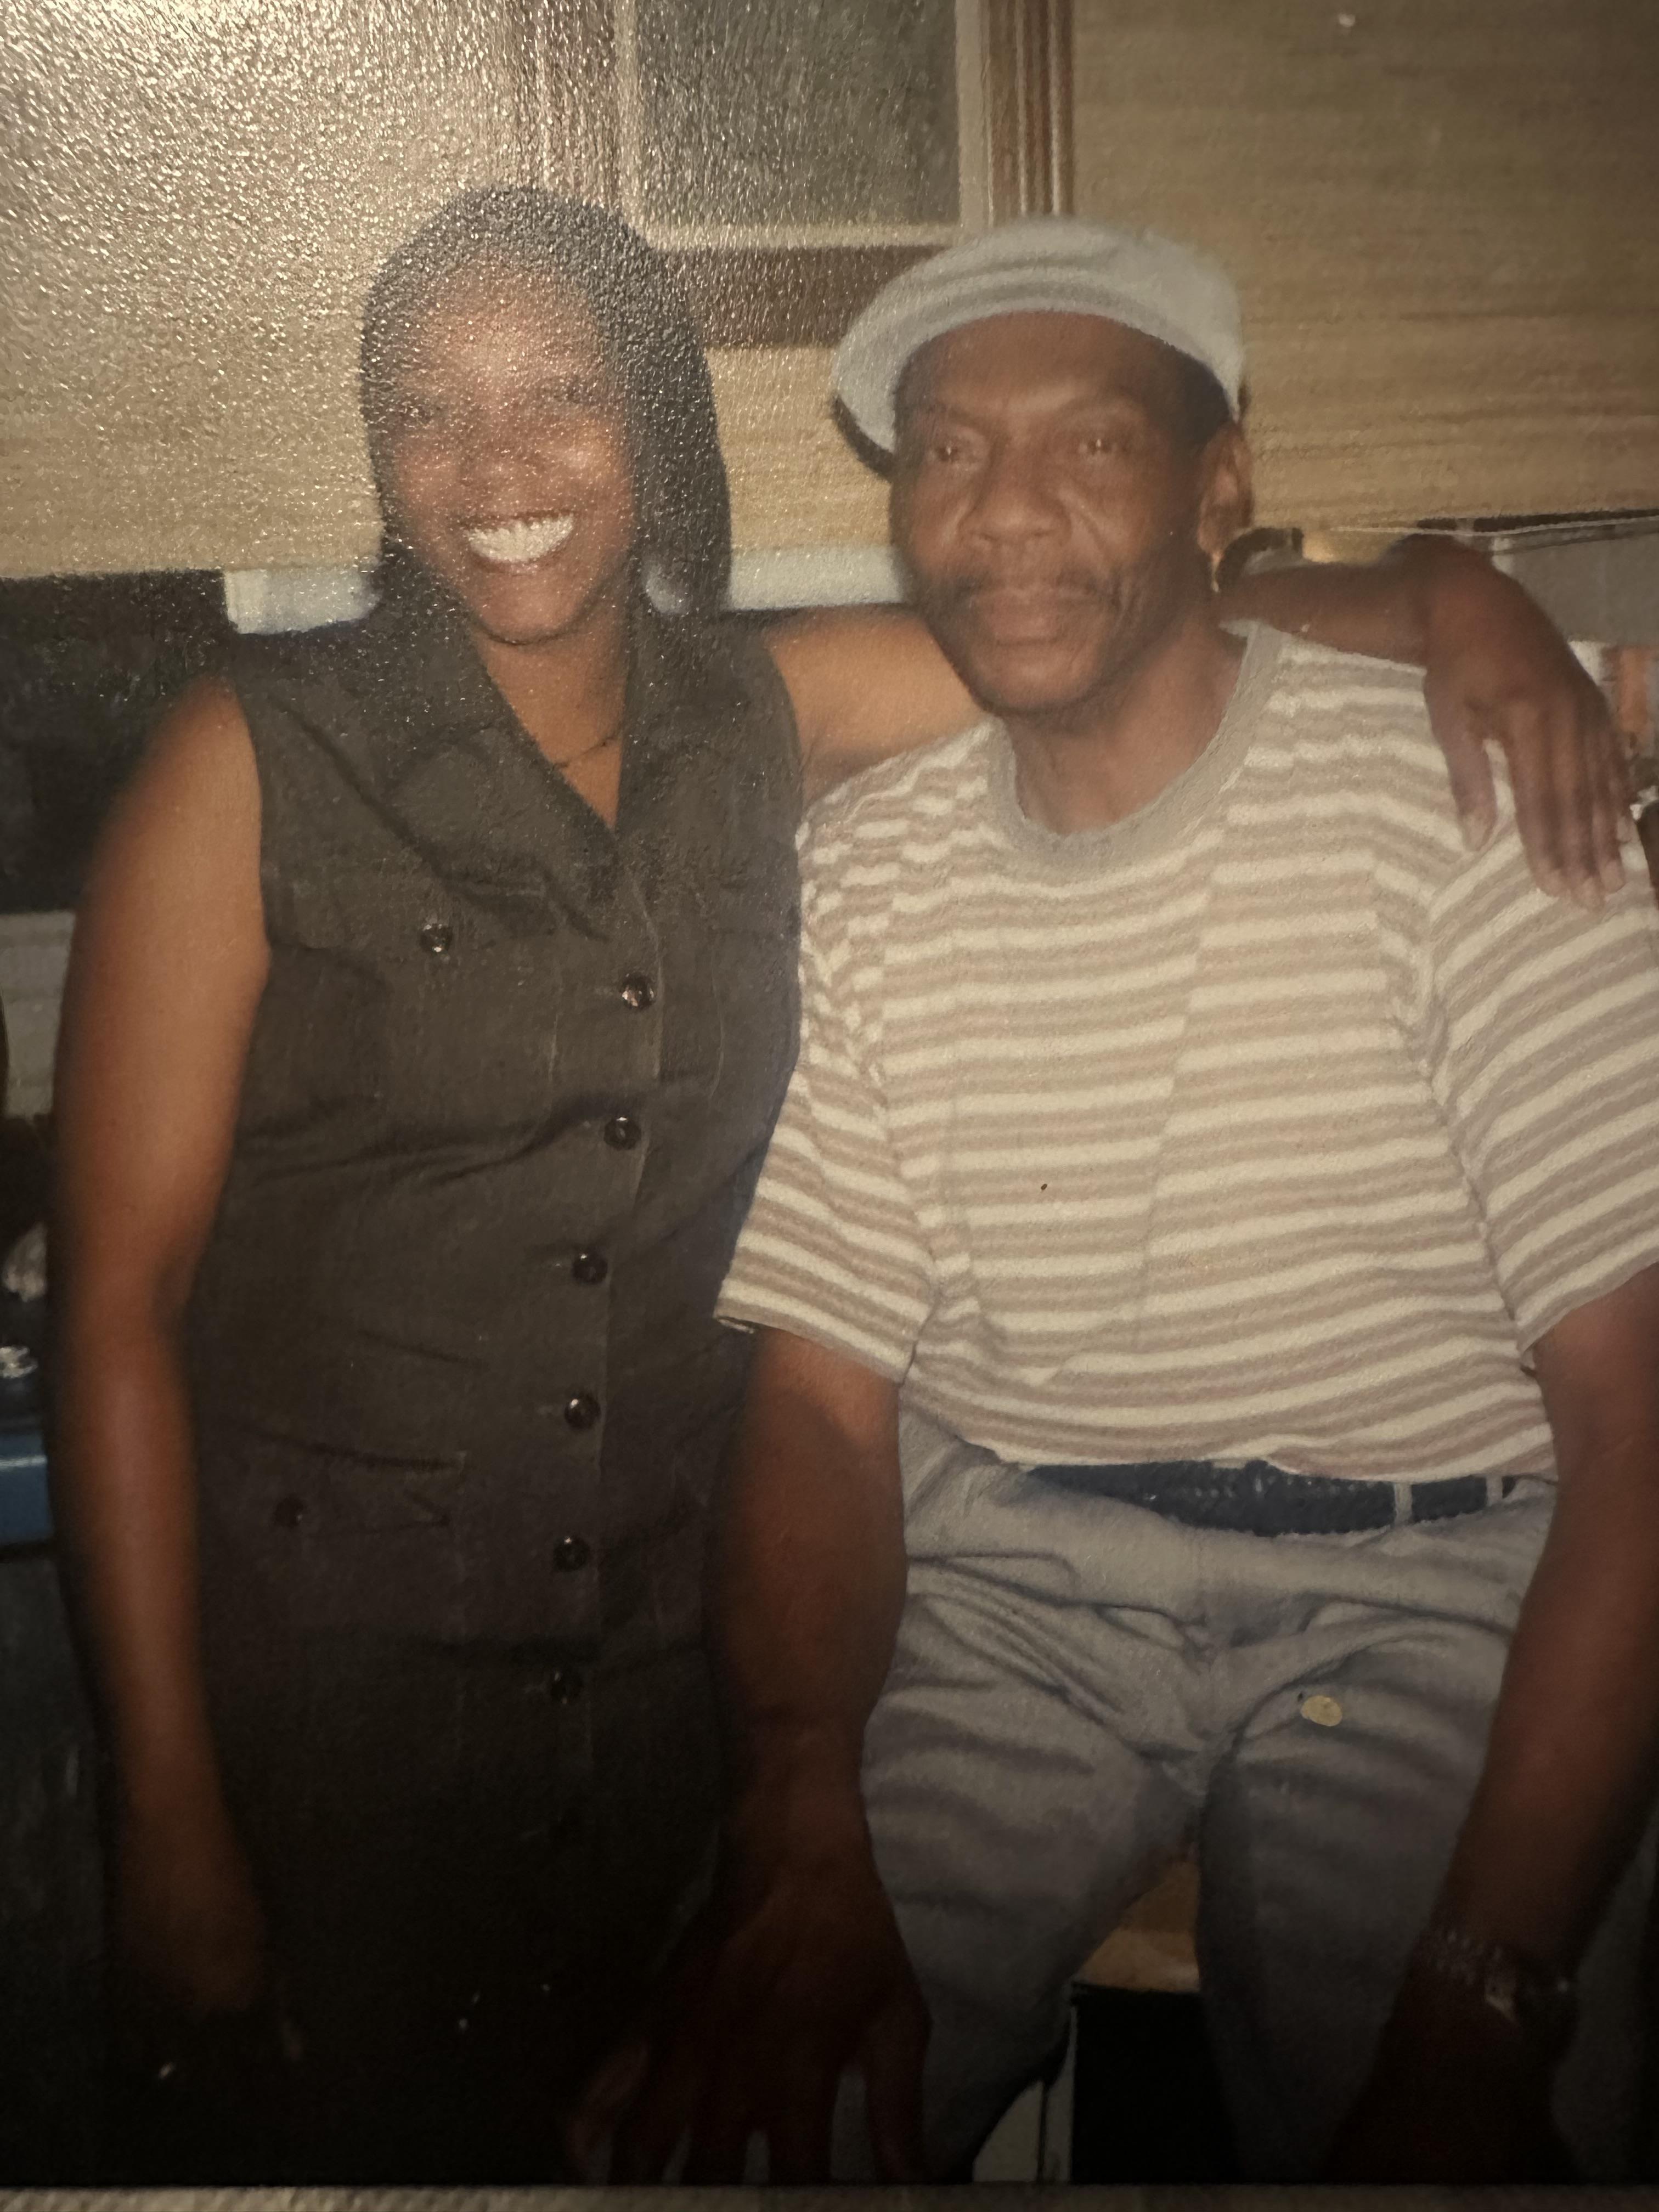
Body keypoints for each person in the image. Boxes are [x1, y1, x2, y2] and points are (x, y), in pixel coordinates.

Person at [50, 189, 1625, 2182]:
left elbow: (1108, 619)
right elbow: (121, 1305)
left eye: (562, 395)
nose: (501, 466)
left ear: (660, 427)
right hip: (345, 1701)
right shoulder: (252, 758)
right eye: (429, 412)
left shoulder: (767, 716)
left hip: (670, 1688)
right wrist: (163, 1819)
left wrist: (1443, 593)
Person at [585, 217, 1659, 2186]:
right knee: (720, 2125)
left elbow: (1640, 1431)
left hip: (1432, 1585)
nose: (1005, 516)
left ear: (1220, 486)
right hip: (1013, 1585)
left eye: (1091, 445)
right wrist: (802, 1814)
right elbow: (825, 1399)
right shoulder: (879, 859)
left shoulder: (1476, 787)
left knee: (1438, 2140)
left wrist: (1485, 1998)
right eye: (948, 452)